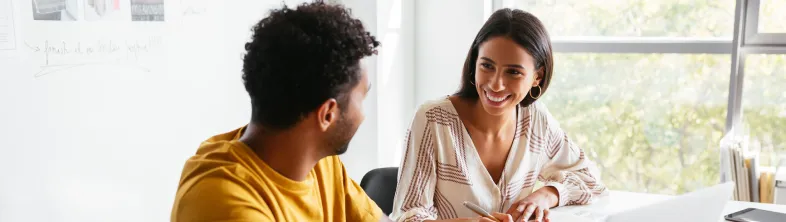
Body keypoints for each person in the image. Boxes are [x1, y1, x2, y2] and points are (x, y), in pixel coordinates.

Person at [170, 1, 390, 221]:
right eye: (362, 98)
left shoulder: (320, 164)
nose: (363, 115)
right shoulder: (225, 203)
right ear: (327, 115)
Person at [390, 8, 607, 222]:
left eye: (513, 72)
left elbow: (589, 179)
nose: (496, 84)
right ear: (475, 63)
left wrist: (545, 195)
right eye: (487, 66)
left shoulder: (535, 120)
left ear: (537, 77)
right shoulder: (433, 120)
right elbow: (408, 217)